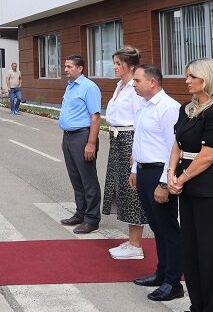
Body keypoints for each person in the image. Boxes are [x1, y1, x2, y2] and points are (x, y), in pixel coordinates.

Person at [168, 58, 213, 311]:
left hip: (212, 192)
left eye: (191, 76)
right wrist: (170, 174)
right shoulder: (187, 108)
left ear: (206, 79)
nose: (186, 81)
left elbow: (207, 156)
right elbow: (177, 144)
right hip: (188, 191)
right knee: (192, 253)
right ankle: (198, 306)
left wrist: (181, 178)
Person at [130, 64, 184, 302]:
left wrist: (164, 183)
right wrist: (134, 170)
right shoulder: (143, 106)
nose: (134, 84)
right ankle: (161, 273)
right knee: (157, 227)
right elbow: (140, 141)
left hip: (159, 174)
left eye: (137, 80)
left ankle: (173, 282)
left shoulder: (168, 108)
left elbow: (173, 148)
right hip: (143, 172)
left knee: (168, 229)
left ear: (152, 82)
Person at [103, 46, 148, 260]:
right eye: (114, 63)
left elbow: (139, 120)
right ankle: (131, 241)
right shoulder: (119, 86)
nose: (114, 67)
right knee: (120, 188)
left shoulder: (134, 88)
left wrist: (135, 152)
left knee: (132, 191)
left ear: (129, 65)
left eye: (118, 63)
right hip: (116, 139)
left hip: (129, 139)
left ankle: (136, 245)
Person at [57, 54, 102, 234]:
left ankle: (92, 219)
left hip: (83, 137)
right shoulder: (70, 87)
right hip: (69, 137)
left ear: (80, 68)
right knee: (76, 178)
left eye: (69, 66)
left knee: (88, 179)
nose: (65, 70)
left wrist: (91, 143)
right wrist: (65, 139)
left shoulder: (89, 87)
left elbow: (96, 118)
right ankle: (80, 213)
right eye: (65, 66)